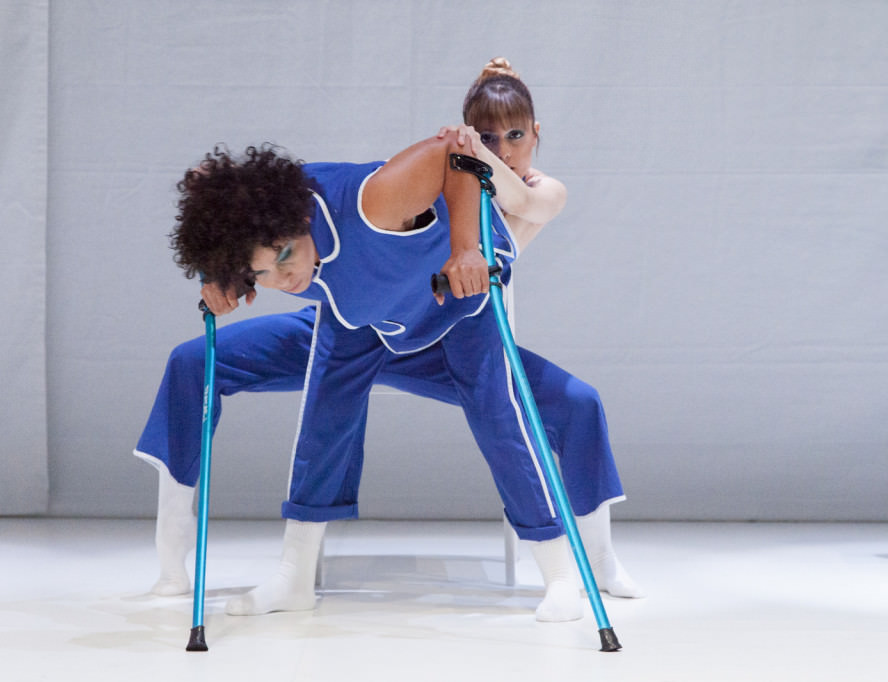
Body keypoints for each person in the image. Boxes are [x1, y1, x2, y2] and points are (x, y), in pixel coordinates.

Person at [136, 58, 642, 621]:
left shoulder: (375, 199)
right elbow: (239, 227)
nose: (284, 279)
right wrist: (223, 274)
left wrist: (467, 247)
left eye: (283, 258)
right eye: (264, 274)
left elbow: (455, 159)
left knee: (498, 412)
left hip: (451, 308)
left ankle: (561, 576)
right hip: (363, 319)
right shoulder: (270, 234)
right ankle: (289, 578)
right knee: (324, 412)